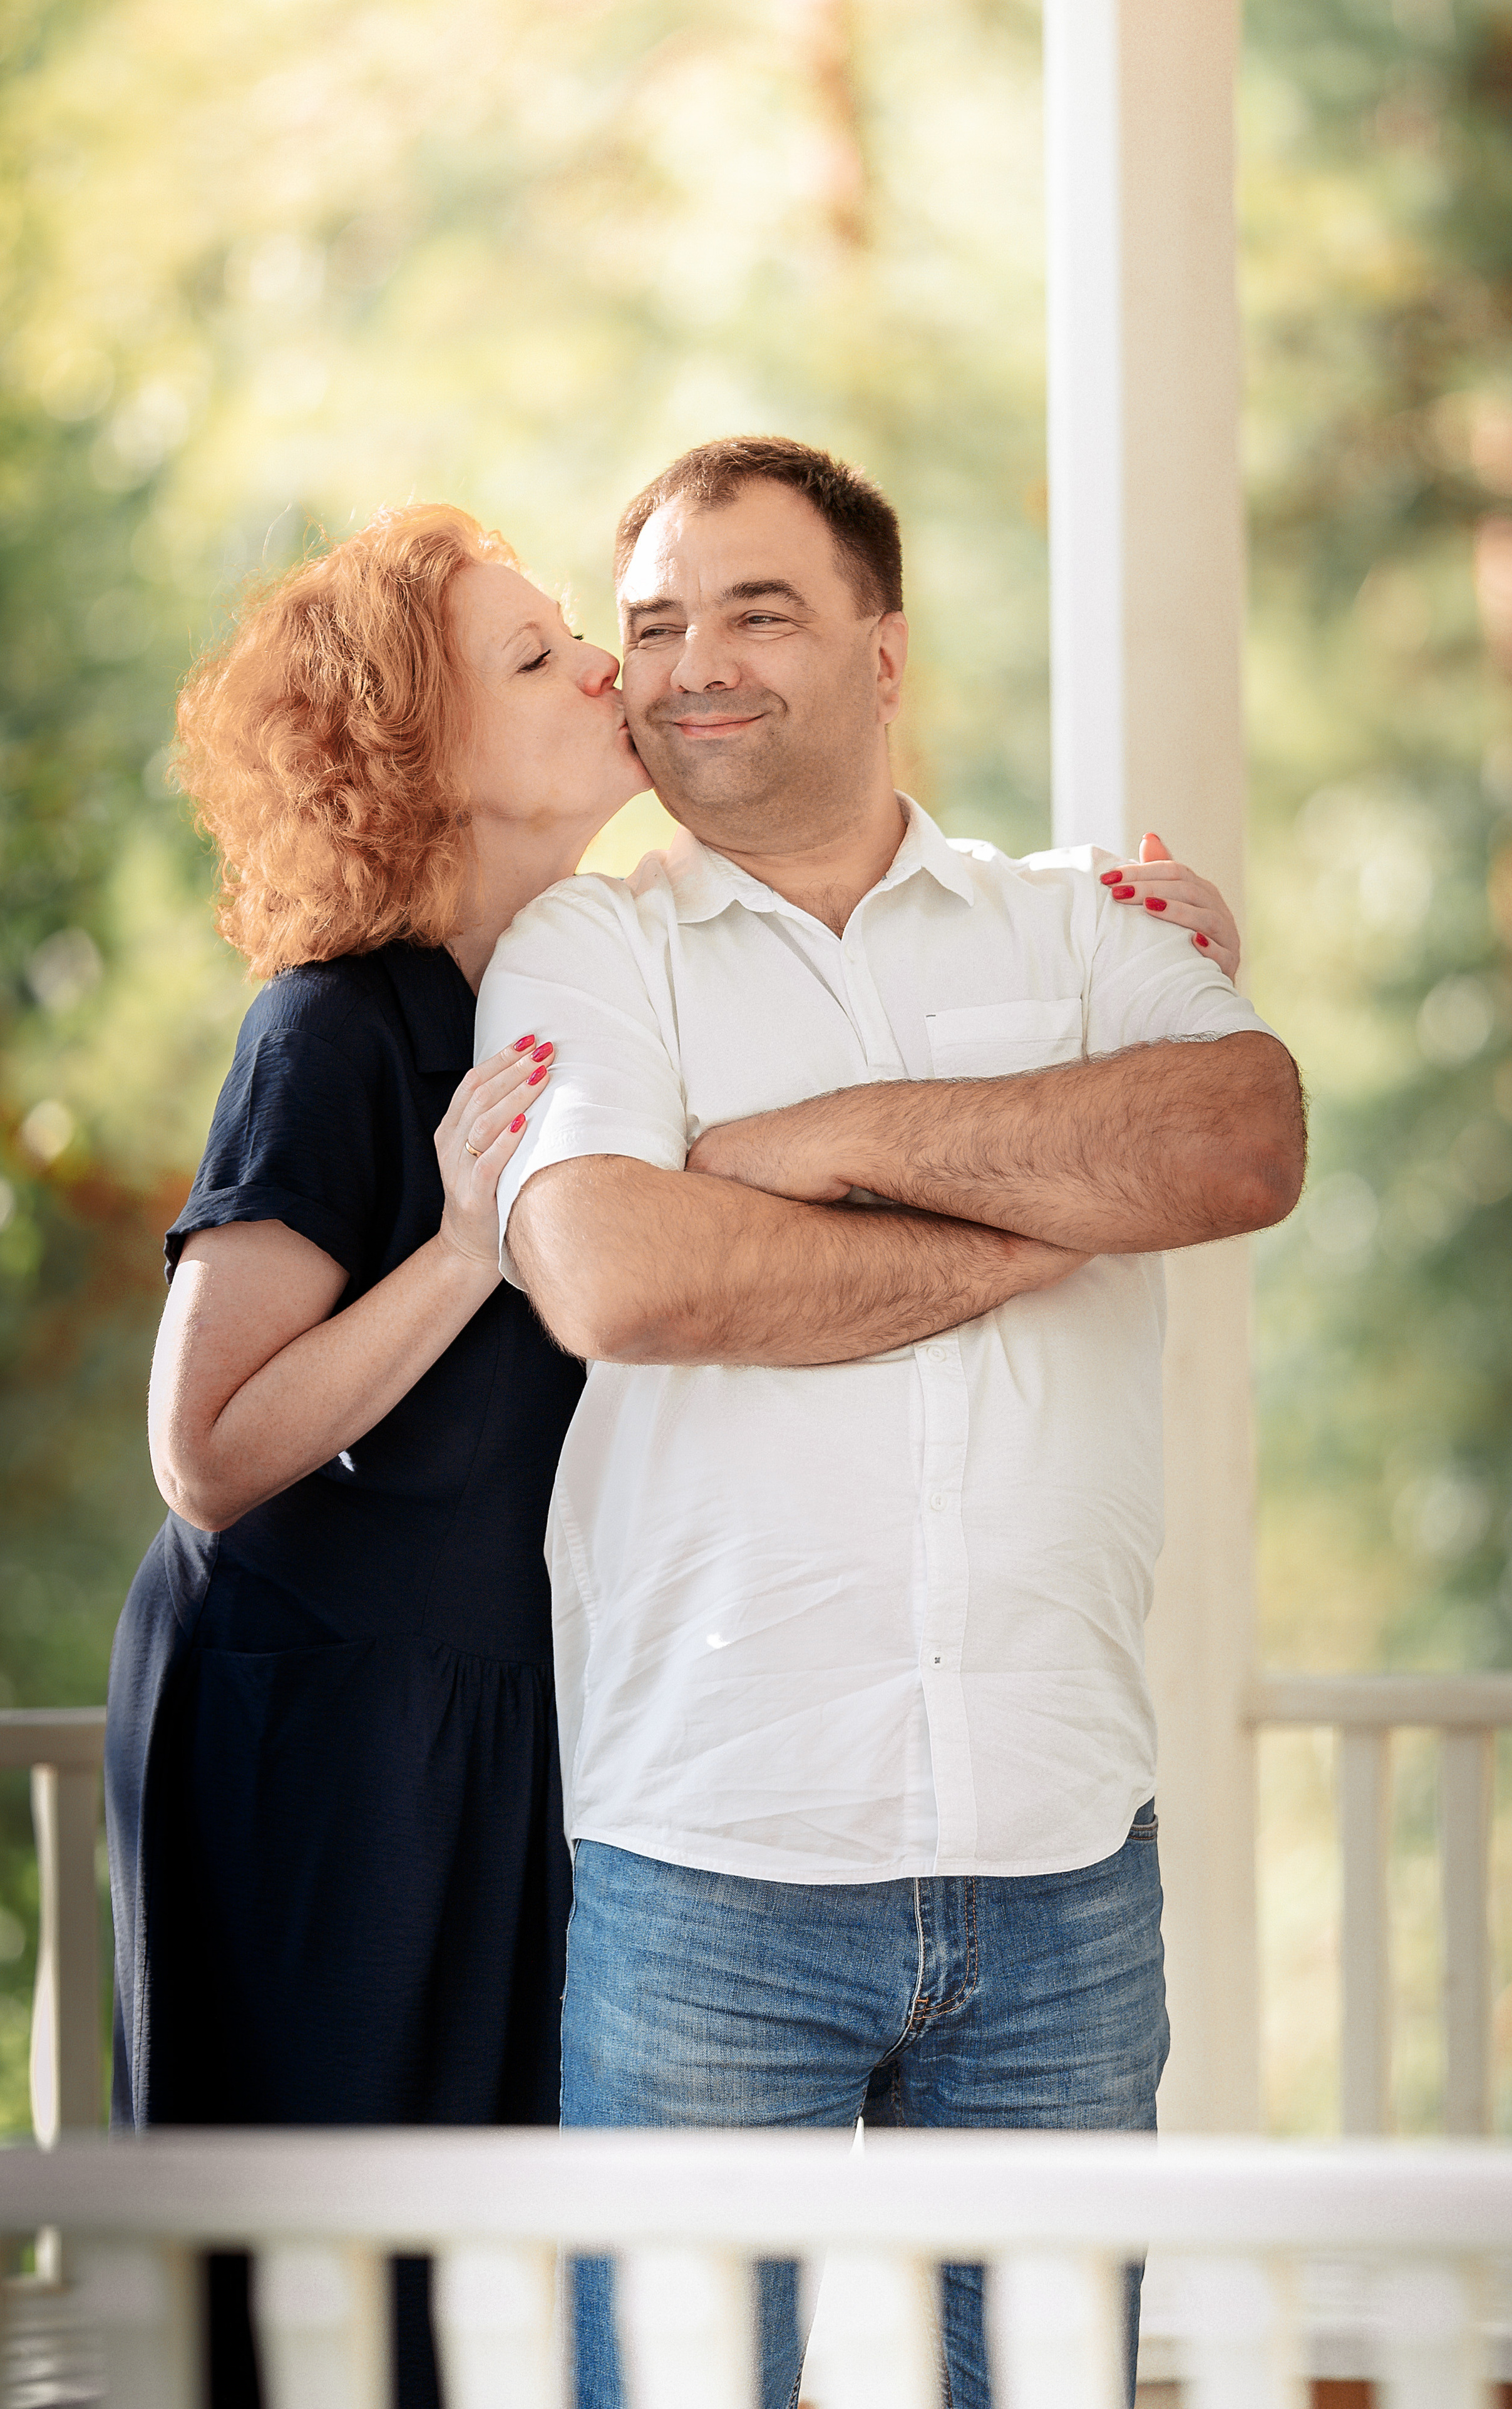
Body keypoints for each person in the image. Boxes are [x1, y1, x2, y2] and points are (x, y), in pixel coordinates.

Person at [474, 436, 1306, 2409]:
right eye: (656, 624)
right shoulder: (587, 951)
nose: (695, 663)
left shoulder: (1081, 922)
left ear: (885, 648)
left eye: (759, 609)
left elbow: (1240, 1136)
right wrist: (1043, 1217)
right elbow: (616, 1271)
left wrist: (824, 1148)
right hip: (710, 1865)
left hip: (1061, 1862)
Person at [103, 501, 644, 2407]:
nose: (602, 665)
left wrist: (1120, 928)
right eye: (534, 654)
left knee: (496, 2311)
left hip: (512, 1706)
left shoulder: (606, 992)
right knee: (332, 2315)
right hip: (314, 1726)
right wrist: (460, 1255)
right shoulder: (327, 1031)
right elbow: (209, 1452)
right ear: (416, 753)